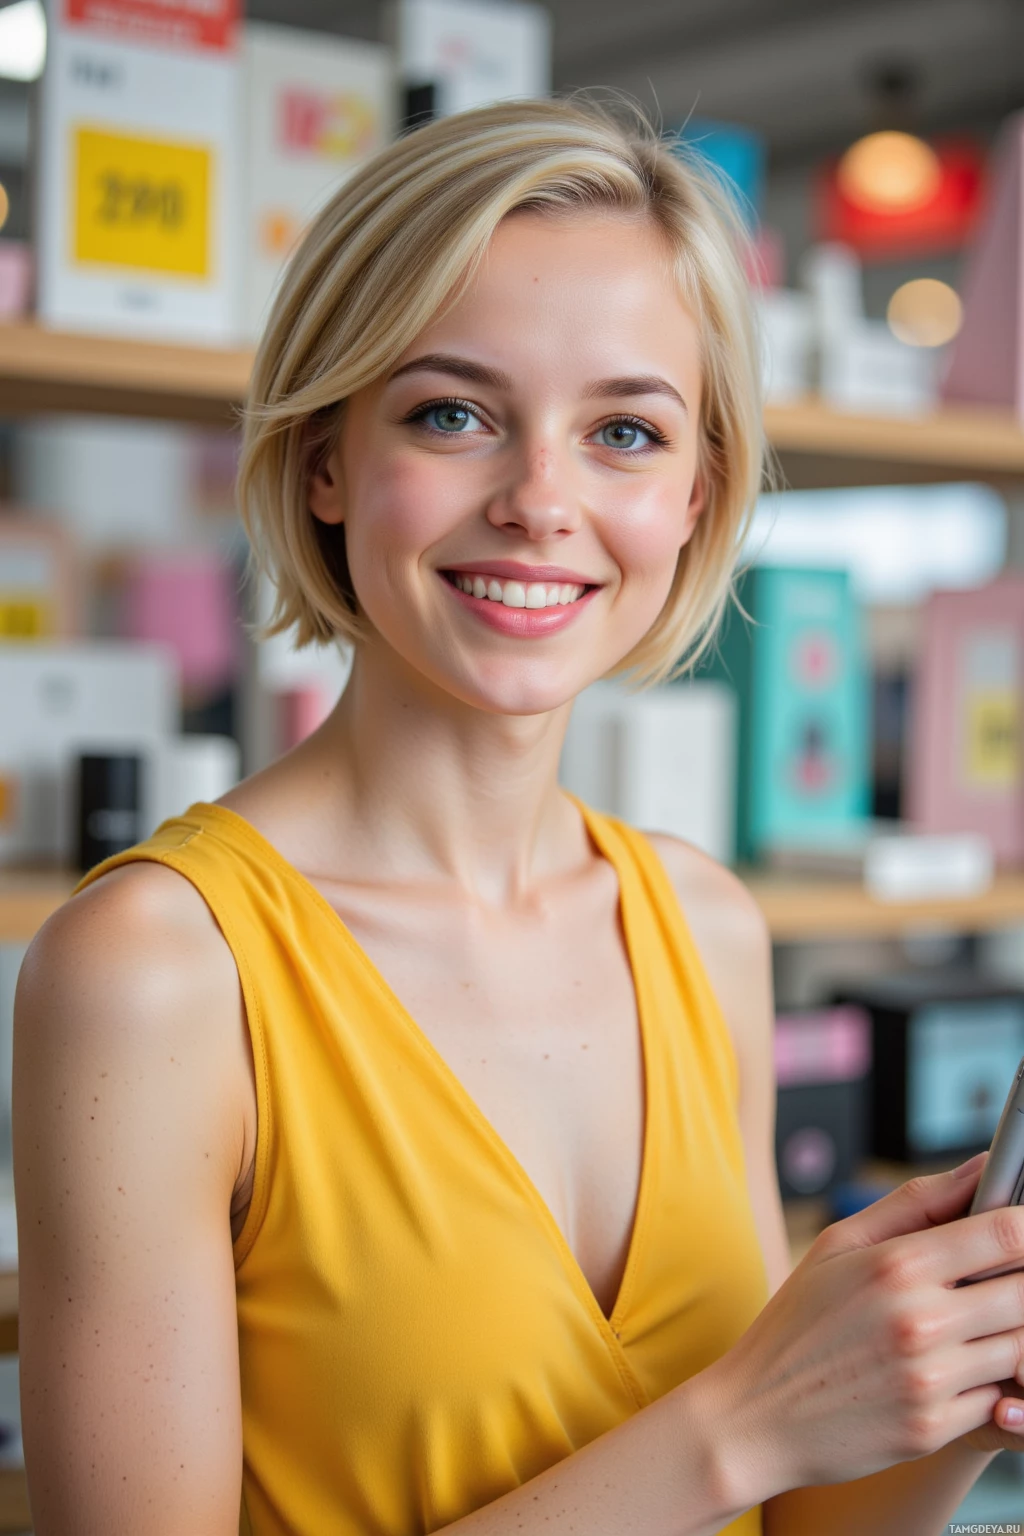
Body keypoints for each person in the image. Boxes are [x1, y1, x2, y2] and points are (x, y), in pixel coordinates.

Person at [13, 97, 1024, 1536]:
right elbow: (734, 1455)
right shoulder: (158, 973)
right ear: (321, 457)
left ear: (694, 496)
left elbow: (798, 1527)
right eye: (452, 413)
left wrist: (955, 1377)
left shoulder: (700, 922)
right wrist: (742, 1425)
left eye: (624, 431)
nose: (543, 500)